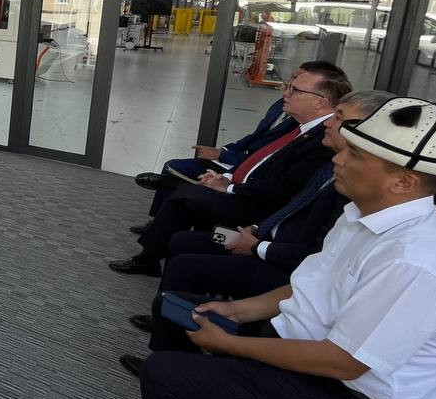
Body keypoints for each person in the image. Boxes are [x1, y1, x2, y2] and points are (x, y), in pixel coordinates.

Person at [139, 97, 436, 399]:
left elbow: (344, 363)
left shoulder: (417, 262)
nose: (338, 159)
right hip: (302, 341)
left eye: (355, 155)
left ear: (404, 182)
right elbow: (311, 284)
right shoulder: (362, 216)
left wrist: (231, 344)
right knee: (174, 308)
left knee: (165, 376)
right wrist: (237, 310)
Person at [120, 90, 393, 371]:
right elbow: (288, 203)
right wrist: (255, 229)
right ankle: (169, 333)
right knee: (183, 238)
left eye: (339, 117)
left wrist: (255, 245)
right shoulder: (321, 155)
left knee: (186, 243)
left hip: (280, 260)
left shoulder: (351, 186)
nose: (328, 122)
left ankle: (173, 359)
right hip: (266, 234)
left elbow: (310, 245)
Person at [110, 67, 349, 276]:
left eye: (294, 90)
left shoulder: (320, 140)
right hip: (246, 186)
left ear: (320, 101)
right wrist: (225, 177)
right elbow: (259, 157)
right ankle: (156, 248)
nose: (286, 92)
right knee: (187, 195)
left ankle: (149, 257)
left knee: (184, 197)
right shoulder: (301, 127)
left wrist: (231, 187)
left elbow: (283, 188)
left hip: (258, 205)